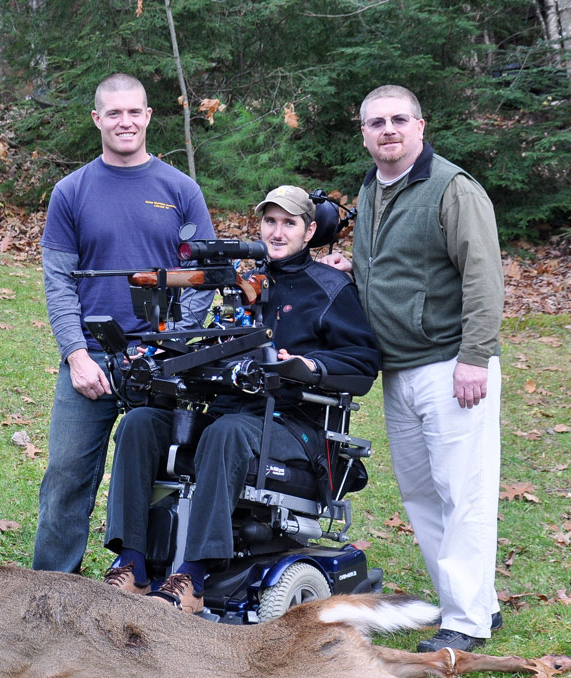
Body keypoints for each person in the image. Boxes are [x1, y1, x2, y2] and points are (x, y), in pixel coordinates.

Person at [102, 185, 380, 613]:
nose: (278, 231)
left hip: (294, 424)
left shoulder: (329, 288)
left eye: (289, 223)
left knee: (227, 433)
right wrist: (164, 356)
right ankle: (132, 564)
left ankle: (192, 576)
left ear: (308, 232)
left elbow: (361, 363)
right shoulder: (242, 286)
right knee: (140, 423)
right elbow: (212, 343)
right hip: (228, 411)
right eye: (270, 221)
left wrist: (308, 365)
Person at [326, 85, 504, 652]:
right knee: (422, 497)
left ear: (420, 126)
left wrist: (476, 356)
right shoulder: (371, 190)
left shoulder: (452, 188)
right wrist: (347, 269)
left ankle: (466, 622)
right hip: (398, 369)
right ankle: (472, 603)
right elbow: (392, 269)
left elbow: (483, 277)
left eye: (398, 120)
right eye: (376, 123)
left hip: (453, 364)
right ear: (364, 133)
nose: (388, 131)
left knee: (463, 494)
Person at [33, 73, 215, 574]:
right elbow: (58, 281)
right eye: (113, 113)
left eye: (134, 111)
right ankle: (49, 593)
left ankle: (147, 584)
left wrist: (169, 346)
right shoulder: (71, 192)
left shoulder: (181, 190)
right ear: (97, 119)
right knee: (66, 477)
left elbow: (203, 279)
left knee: (160, 478)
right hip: (91, 360)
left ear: (149, 116)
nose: (125, 121)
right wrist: (76, 354)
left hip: (160, 363)